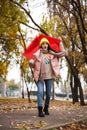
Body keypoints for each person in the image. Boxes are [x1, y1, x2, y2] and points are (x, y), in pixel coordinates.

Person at [29, 37, 67, 117]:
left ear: (48, 45)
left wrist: (60, 43)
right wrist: (31, 62)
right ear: (41, 45)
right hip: (40, 77)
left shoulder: (52, 54)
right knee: (40, 92)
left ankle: (46, 108)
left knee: (49, 94)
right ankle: (40, 110)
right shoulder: (37, 54)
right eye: (43, 44)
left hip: (49, 76)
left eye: (46, 43)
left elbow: (63, 53)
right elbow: (33, 65)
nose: (44, 45)